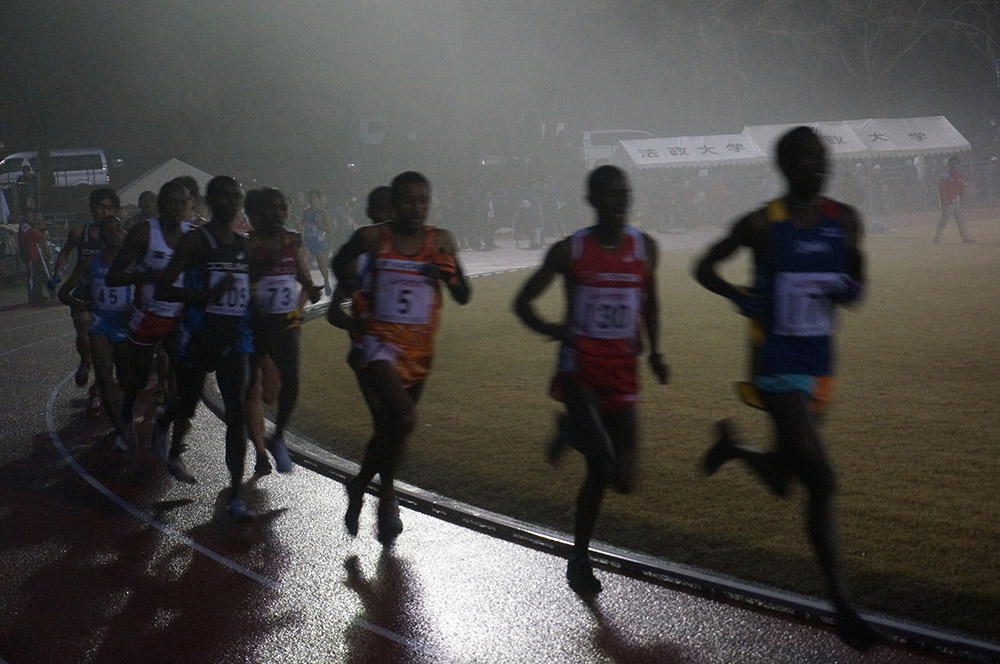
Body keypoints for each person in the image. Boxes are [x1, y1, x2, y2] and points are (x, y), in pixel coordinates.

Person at [692, 126, 879, 651]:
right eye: (805, 158)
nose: (817, 166)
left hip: (818, 367)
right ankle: (842, 607)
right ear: (784, 165)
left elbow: (857, 281)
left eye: (822, 158)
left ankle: (732, 447)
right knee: (821, 479)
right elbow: (703, 267)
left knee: (782, 478)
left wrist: (849, 286)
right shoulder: (762, 224)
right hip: (774, 366)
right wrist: (739, 295)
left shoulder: (845, 221)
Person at [513, 165, 669, 595]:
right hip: (579, 370)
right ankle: (579, 560)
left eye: (625, 194)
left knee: (626, 479)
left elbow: (651, 301)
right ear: (592, 200)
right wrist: (554, 330)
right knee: (600, 462)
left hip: (622, 372)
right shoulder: (571, 251)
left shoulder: (645, 248)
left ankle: (570, 430)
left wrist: (655, 351)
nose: (620, 202)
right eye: (610, 195)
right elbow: (523, 302)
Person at [330, 172, 470, 544]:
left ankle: (360, 484)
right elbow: (339, 263)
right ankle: (387, 499)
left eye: (423, 200)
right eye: (409, 201)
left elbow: (463, 295)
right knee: (403, 419)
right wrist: (362, 289)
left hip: (420, 351)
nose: (417, 208)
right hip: (378, 344)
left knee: (392, 430)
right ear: (394, 204)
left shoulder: (440, 241)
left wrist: (451, 275)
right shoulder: (373, 239)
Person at [151, 176, 255, 522]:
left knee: (236, 413)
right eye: (223, 197)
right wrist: (204, 296)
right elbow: (164, 288)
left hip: (234, 341)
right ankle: (165, 419)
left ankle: (236, 493)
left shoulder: (245, 247)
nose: (230, 203)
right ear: (210, 203)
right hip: (198, 337)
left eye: (235, 198)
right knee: (187, 403)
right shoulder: (196, 241)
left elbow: (248, 294)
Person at [107, 180, 192, 445]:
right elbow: (113, 276)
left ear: (190, 205)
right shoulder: (144, 233)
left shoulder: (194, 235)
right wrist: (142, 275)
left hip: (179, 318)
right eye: (172, 202)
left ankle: (170, 429)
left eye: (183, 203)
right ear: (160, 204)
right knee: (140, 378)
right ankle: (126, 411)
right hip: (148, 317)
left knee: (184, 374)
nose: (178, 208)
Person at [245, 188, 322, 475]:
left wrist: (308, 294)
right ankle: (261, 454)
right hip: (254, 324)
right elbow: (239, 280)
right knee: (252, 389)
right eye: (271, 208)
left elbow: (303, 277)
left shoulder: (292, 240)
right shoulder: (248, 244)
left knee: (288, 384)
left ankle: (277, 437)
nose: (278, 213)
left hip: (285, 324)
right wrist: (258, 274)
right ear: (256, 215)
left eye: (282, 207)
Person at [58, 215, 132, 448]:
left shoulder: (133, 260)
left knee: (129, 379)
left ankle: (126, 416)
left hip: (125, 323)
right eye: (110, 229)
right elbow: (64, 293)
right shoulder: (91, 263)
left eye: (119, 228)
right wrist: (77, 304)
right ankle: (121, 429)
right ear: (101, 234)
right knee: (103, 375)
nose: (116, 233)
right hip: (101, 322)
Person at [50, 188, 120, 406]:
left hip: (109, 294)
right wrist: (58, 273)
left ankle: (100, 386)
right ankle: (85, 361)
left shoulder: (119, 235)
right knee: (83, 326)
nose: (104, 212)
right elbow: (64, 252)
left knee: (110, 347)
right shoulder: (80, 233)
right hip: (83, 290)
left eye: (109, 208)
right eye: (101, 207)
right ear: (92, 209)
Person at [934, 156, 974, 244]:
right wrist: (944, 199)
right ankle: (937, 238)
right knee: (943, 220)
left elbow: (962, 188)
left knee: (961, 220)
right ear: (949, 165)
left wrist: (963, 198)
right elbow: (942, 188)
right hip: (948, 202)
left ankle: (965, 238)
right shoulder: (945, 175)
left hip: (957, 201)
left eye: (955, 163)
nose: (954, 165)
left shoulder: (959, 175)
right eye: (952, 163)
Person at [301, 189, 332, 296]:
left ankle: (326, 282)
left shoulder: (323, 213)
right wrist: (299, 227)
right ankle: (308, 286)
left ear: (319, 200)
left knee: (322, 266)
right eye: (310, 198)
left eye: (314, 198)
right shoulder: (305, 212)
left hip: (318, 243)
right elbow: (301, 225)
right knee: (302, 263)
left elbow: (329, 230)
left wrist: (319, 224)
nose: (312, 200)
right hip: (307, 243)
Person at [17, 208, 51, 305]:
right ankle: (32, 296)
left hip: (35, 255)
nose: (32, 217)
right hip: (29, 255)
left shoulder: (29, 225)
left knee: (38, 276)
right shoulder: (24, 226)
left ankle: (38, 295)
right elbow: (36, 235)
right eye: (30, 215)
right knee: (32, 276)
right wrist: (39, 234)